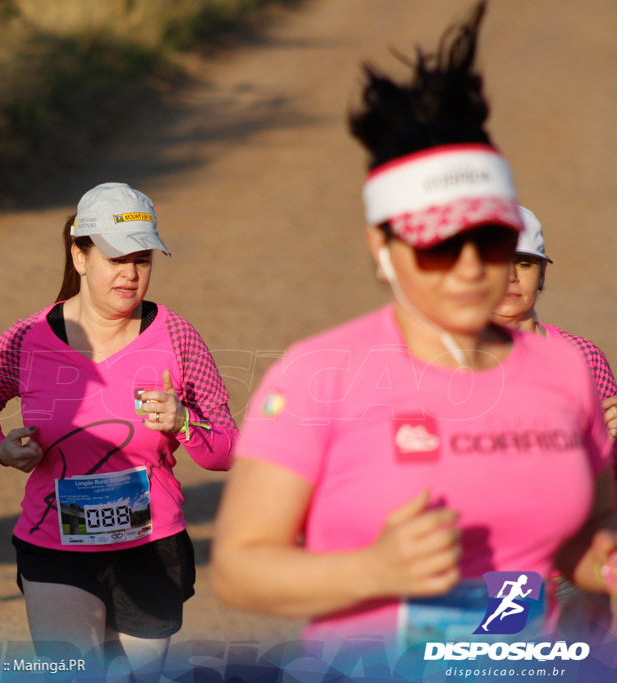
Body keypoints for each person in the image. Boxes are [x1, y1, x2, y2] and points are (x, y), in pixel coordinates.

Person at [211, 2, 616, 656]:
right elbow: (237, 568)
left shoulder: (565, 367)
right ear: (382, 243)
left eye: (491, 242)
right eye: (437, 246)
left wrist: (607, 559)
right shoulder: (320, 373)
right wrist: (371, 570)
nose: (469, 269)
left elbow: (580, 542)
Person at [0, 182, 237, 675]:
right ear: (80, 256)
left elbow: (225, 450)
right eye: (115, 258)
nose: (131, 274)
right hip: (55, 544)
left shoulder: (176, 335)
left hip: (150, 546)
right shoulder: (27, 338)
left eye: (143, 259)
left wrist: (184, 422)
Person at [492, 206, 617, 437]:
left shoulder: (584, 356)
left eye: (523, 263)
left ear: (542, 274)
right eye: (497, 262)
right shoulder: (440, 357)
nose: (511, 276)